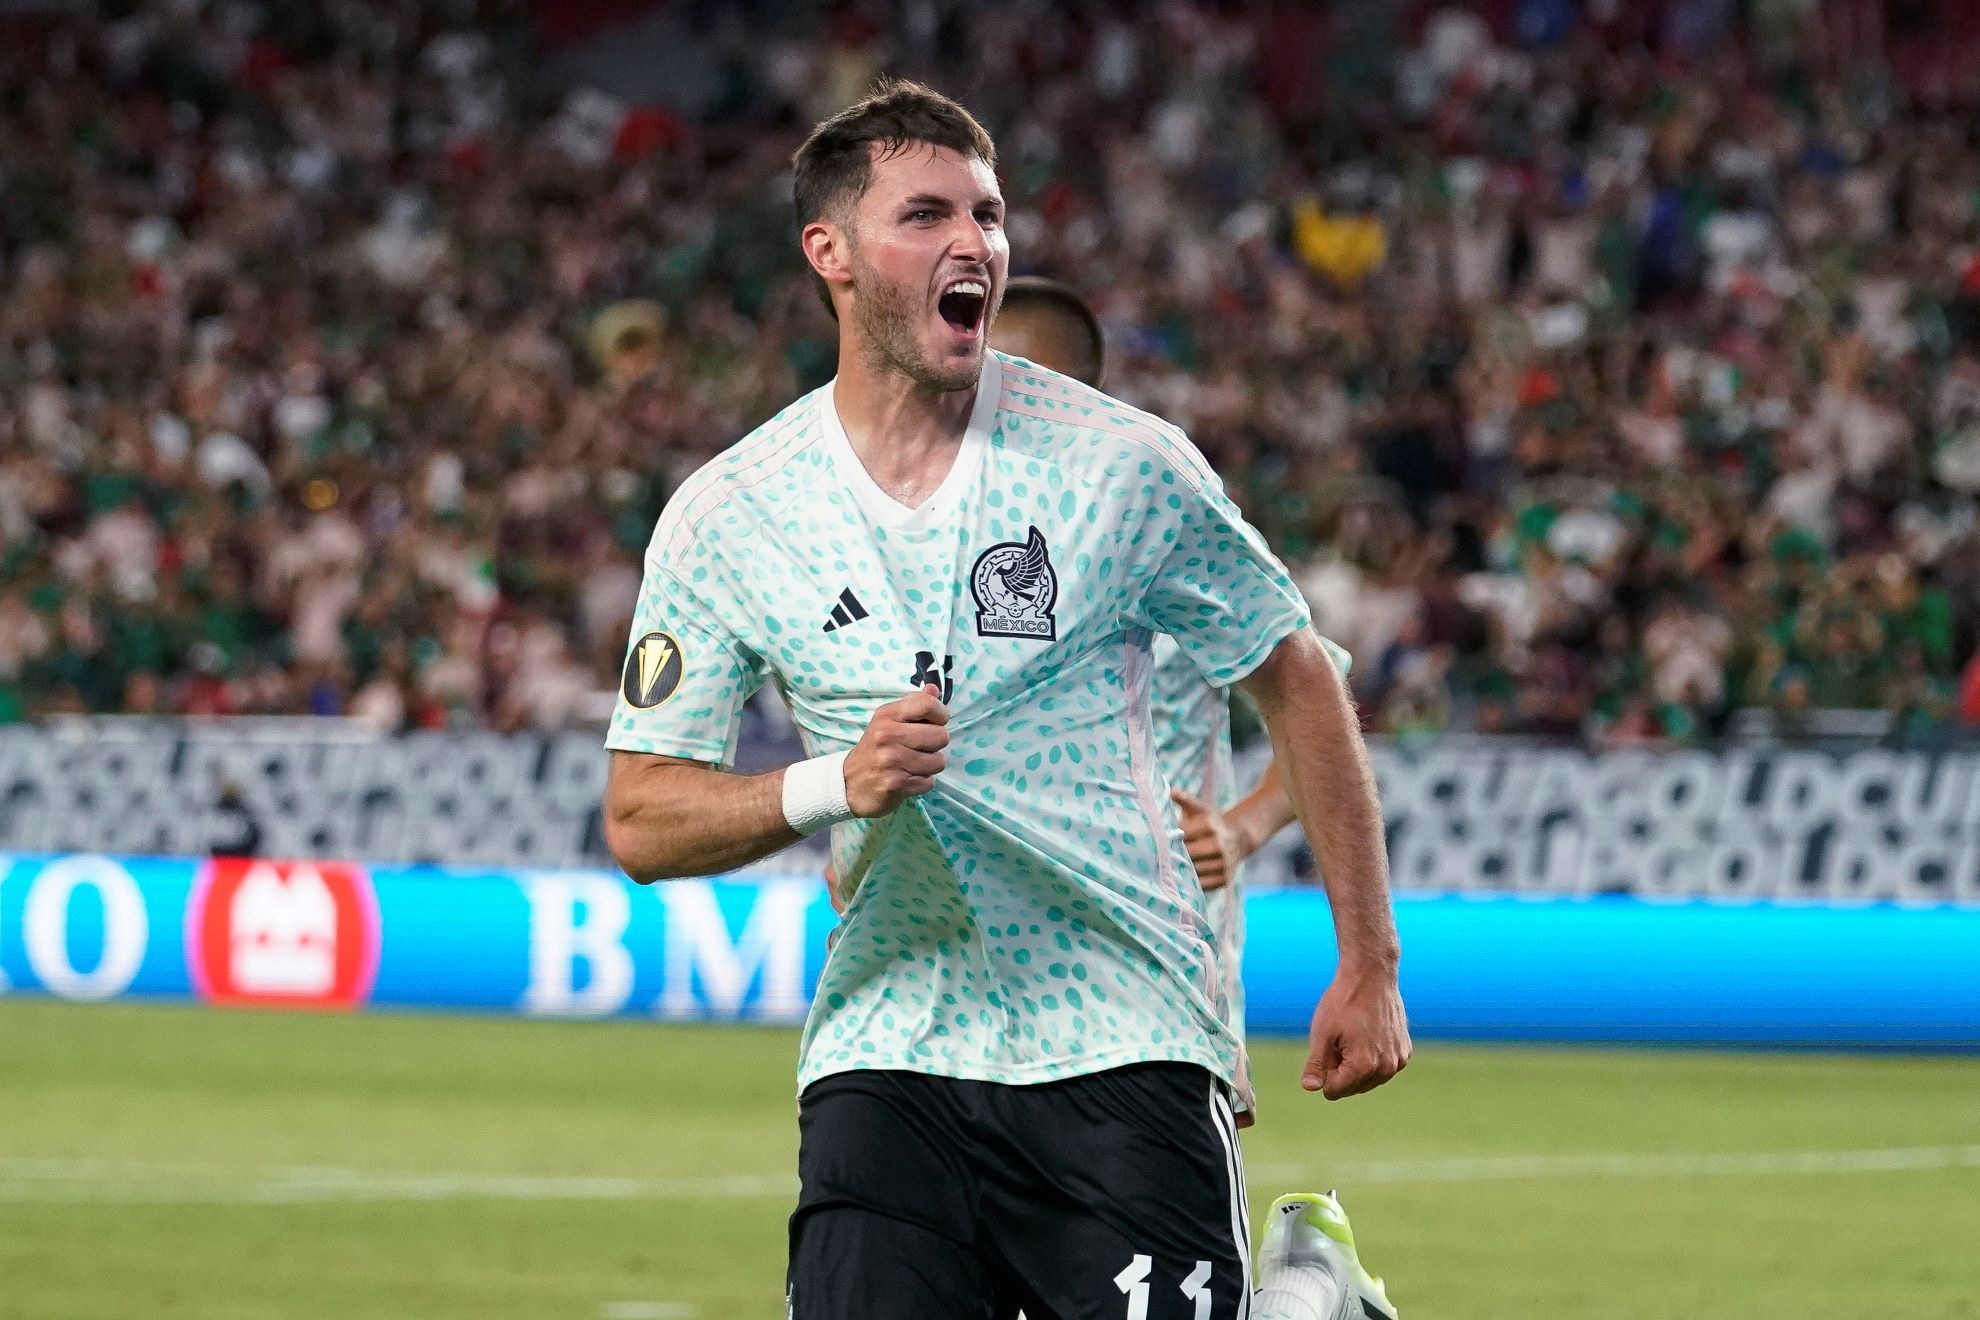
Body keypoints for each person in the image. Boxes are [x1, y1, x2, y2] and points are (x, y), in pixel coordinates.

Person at [604, 80, 1408, 1320]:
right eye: (925, 215)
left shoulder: (1123, 466)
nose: (972, 241)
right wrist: (833, 785)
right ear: (830, 251)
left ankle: (1303, 1305)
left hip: (1122, 1032)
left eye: (986, 213)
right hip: (888, 1044)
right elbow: (642, 818)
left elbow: (1296, 667)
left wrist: (1370, 962)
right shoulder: (729, 514)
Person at [989, 279, 1394, 1320]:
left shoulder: (1152, 527)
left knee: (1151, 1277)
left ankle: (1307, 1292)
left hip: (1153, 958)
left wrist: (1247, 823)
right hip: (988, 971)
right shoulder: (958, 547)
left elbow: (1319, 687)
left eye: (1017, 369)